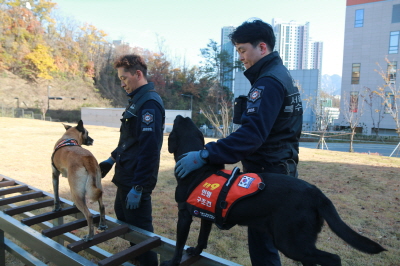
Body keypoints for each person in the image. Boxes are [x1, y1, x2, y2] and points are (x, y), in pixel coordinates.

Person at [175, 19, 303, 266]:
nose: (241, 57)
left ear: (262, 47)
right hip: (281, 167)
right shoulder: (281, 75)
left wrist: (205, 154)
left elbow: (252, 136)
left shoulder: (268, 82)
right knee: (267, 239)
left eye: (243, 50)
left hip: (269, 172)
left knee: (262, 244)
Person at [100, 54, 165, 266]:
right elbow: (129, 141)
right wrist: (111, 159)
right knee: (126, 223)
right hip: (125, 175)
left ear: (138, 74)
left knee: (142, 236)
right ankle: (136, 260)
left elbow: (149, 150)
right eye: (120, 79)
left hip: (135, 180)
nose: (122, 84)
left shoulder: (149, 104)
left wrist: (139, 187)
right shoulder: (137, 101)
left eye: (124, 78)